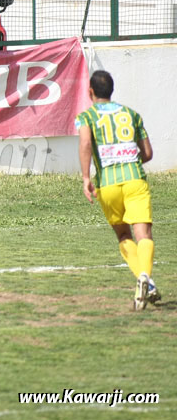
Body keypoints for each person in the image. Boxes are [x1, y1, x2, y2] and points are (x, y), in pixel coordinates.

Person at [76, 70, 158, 310]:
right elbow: (148, 154)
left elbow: (85, 144)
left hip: (108, 184)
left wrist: (84, 177)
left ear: (90, 91)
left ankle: (146, 282)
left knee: (124, 236)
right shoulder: (132, 114)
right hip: (135, 180)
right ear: (111, 90)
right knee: (144, 235)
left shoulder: (86, 116)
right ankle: (146, 278)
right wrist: (129, 162)